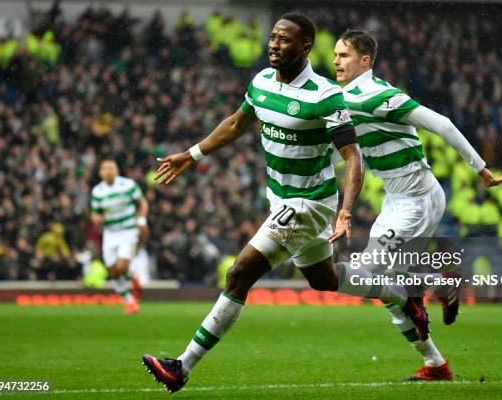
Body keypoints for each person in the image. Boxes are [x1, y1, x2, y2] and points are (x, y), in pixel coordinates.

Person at [141, 13, 426, 393]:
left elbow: (353, 158)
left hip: (309, 203)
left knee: (239, 273)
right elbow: (236, 124)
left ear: (305, 47)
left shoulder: (324, 96)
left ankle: (182, 366)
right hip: (281, 199)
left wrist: (345, 210)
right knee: (323, 279)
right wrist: (192, 154)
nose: (274, 44)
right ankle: (400, 295)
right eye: (273, 37)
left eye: (285, 40)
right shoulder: (260, 82)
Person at [333, 29, 502, 380]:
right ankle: (435, 364)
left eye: (344, 55)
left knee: (365, 275)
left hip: (415, 200)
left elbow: (441, 124)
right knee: (387, 290)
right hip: (402, 198)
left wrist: (481, 169)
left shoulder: (380, 95)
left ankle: (432, 286)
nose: (336, 61)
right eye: (336, 55)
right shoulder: (343, 98)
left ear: (365, 61)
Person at [90, 159, 148, 314]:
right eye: (105, 168)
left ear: (117, 171)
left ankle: (130, 280)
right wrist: (96, 218)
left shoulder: (128, 185)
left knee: (121, 266)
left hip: (128, 230)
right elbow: (96, 213)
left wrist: (141, 221)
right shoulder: (97, 191)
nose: (108, 171)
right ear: (100, 173)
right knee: (113, 271)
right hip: (110, 233)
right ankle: (130, 301)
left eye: (111, 168)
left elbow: (142, 203)